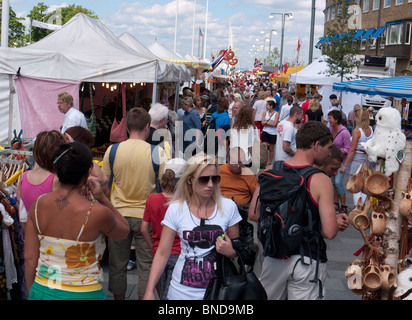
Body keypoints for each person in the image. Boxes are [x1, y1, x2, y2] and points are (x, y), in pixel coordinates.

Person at [24, 142, 130, 300]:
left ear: (57, 170)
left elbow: (30, 258)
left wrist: (33, 291)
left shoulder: (38, 205)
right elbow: (124, 231)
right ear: (88, 173)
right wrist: (102, 198)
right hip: (84, 294)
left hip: (43, 290)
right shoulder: (96, 212)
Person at [249, 121, 341, 300]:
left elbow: (253, 213)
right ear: (316, 145)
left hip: (274, 256)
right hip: (307, 260)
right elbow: (329, 232)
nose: (329, 153)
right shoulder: (320, 180)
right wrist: (336, 220)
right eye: (328, 147)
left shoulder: (272, 170)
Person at [143, 153, 242, 300]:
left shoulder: (228, 207)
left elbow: (239, 248)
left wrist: (231, 251)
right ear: (190, 180)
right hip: (180, 292)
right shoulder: (176, 209)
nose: (210, 184)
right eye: (203, 179)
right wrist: (149, 290)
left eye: (214, 179)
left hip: (218, 292)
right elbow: (162, 253)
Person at [101, 107, 167, 300]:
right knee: (147, 265)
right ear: (147, 127)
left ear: (127, 128)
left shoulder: (112, 150)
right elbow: (166, 187)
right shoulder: (158, 153)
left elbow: (104, 185)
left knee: (117, 264)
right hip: (146, 217)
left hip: (118, 215)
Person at [141, 158, 187, 300]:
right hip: (179, 253)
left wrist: (153, 247)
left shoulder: (152, 199)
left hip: (158, 252)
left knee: (162, 292)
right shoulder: (184, 202)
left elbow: (144, 229)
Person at [18, 130, 66, 232]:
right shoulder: (56, 180)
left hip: (31, 235)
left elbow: (22, 215)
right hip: (51, 238)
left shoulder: (23, 177)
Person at [339, 108, 374, 204]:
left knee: (355, 186)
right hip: (366, 161)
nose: (354, 119)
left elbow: (352, 150)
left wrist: (345, 165)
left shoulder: (357, 132)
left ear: (359, 118)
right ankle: (362, 209)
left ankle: (356, 209)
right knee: (363, 186)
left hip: (356, 162)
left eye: (355, 117)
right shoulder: (371, 129)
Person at [64, 126, 110, 197]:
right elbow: (103, 179)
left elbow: (104, 179)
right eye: (88, 147)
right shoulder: (64, 163)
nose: (89, 150)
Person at [328, 109, 351, 214]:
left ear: (336, 120)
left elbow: (347, 148)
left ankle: (344, 205)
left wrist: (337, 154)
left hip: (341, 160)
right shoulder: (330, 129)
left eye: (330, 118)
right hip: (331, 161)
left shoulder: (345, 132)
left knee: (338, 182)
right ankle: (335, 203)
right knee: (332, 182)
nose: (328, 120)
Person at [261, 99, 279, 165]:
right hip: (265, 131)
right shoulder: (265, 113)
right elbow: (262, 122)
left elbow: (275, 124)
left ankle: (270, 162)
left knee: (271, 148)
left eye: (267, 105)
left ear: (271, 106)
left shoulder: (276, 114)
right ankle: (264, 161)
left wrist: (266, 123)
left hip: (273, 133)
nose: (266, 106)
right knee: (264, 146)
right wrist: (269, 123)